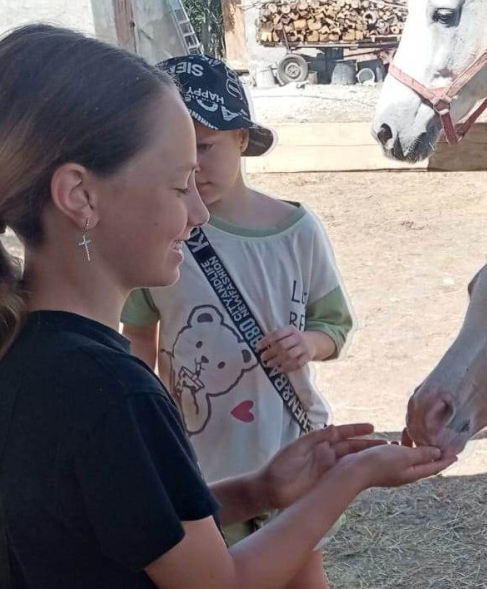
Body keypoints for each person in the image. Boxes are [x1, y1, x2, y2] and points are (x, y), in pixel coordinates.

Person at [0, 25, 453, 589]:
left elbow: (131, 523)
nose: (200, 213)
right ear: (81, 197)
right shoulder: (110, 390)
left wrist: (256, 492)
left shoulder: (29, 353)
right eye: (179, 184)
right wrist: (348, 479)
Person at [120, 54, 352, 588]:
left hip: (288, 446)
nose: (196, 166)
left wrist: (308, 345)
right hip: (199, 460)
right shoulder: (159, 239)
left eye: (207, 145)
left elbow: (334, 325)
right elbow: (138, 334)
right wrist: (152, 415)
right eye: (179, 152)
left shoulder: (296, 230)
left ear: (244, 139)